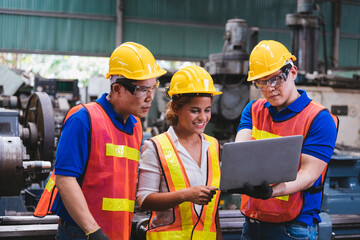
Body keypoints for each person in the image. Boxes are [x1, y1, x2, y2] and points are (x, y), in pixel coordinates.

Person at [35, 42, 166, 240]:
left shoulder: (136, 126)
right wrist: (93, 231)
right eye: (142, 89)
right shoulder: (83, 118)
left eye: (153, 88)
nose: (150, 97)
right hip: (82, 233)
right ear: (117, 88)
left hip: (118, 230)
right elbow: (65, 180)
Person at [234, 40, 338, 240]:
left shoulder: (319, 119)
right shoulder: (253, 110)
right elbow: (241, 154)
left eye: (275, 79)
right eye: (261, 82)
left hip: (293, 227)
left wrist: (270, 192)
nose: (269, 88)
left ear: (293, 72)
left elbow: (307, 175)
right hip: (253, 223)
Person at [136, 65, 223, 239]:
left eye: (207, 110)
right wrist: (186, 195)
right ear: (176, 109)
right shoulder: (155, 146)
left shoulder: (213, 145)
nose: (202, 118)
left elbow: (213, 211)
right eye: (194, 111)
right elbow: (144, 200)